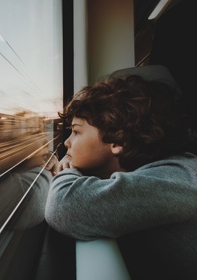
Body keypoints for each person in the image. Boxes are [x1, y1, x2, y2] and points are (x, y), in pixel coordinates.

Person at [44, 74, 197, 279]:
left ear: (117, 141)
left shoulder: (178, 180)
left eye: (76, 132)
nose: (66, 143)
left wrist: (69, 170)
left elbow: (65, 206)